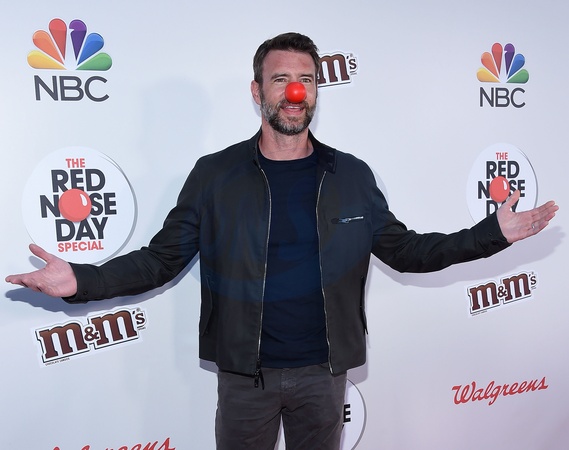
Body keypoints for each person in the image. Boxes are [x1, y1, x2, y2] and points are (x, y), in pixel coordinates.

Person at [6, 32, 558, 450]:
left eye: (307, 80)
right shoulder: (215, 175)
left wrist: (492, 234)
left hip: (324, 375)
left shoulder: (351, 176)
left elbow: (409, 252)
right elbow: (161, 260)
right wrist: (82, 280)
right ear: (258, 91)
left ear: (316, 90)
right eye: (281, 80)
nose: (295, 92)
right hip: (245, 378)